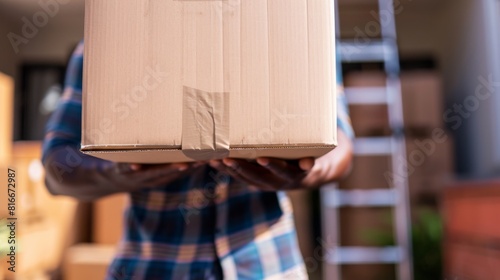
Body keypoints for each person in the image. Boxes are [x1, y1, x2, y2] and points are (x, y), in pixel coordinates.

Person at [42, 41, 354, 279]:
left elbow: (340, 145)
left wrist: (301, 173)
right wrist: (122, 172)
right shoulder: (110, 42)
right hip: (151, 267)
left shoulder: (289, 32)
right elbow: (57, 168)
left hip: (268, 266)